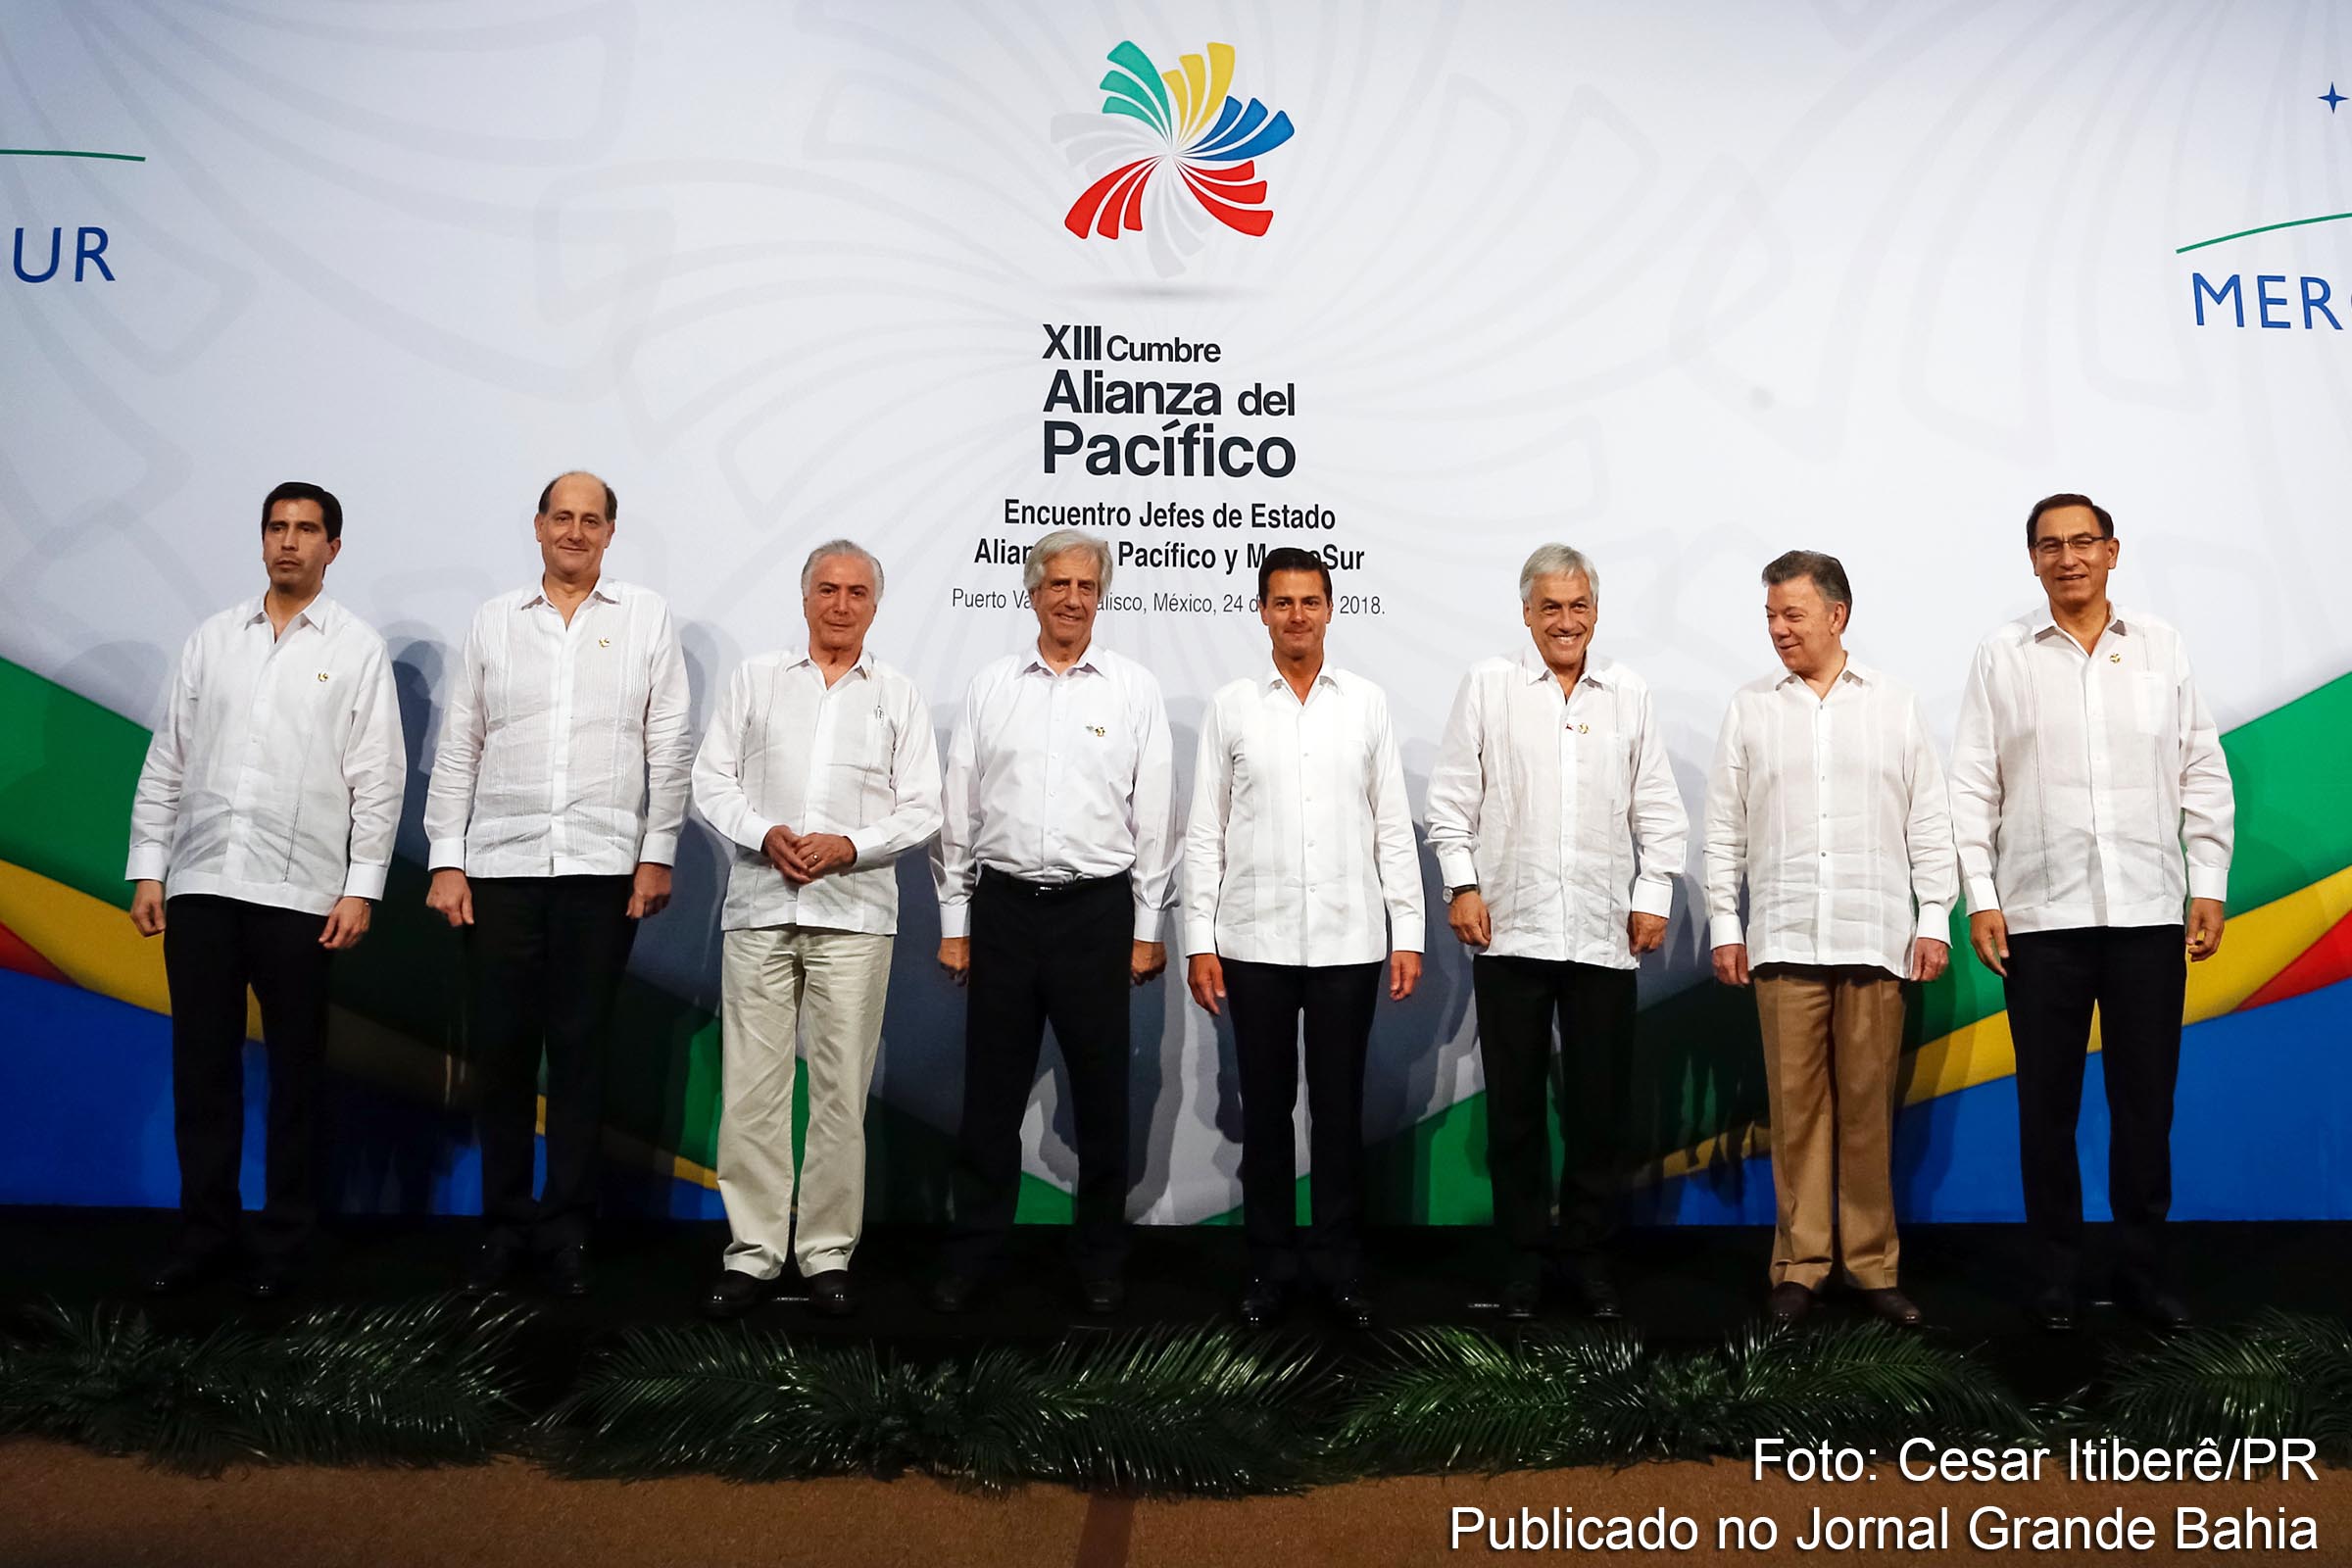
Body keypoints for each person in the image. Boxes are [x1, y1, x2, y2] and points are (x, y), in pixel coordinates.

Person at [1949, 493, 2233, 1333]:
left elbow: (2201, 771)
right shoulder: (2002, 657)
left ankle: (2143, 1276)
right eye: (2050, 545)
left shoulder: (2160, 649)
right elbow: (1973, 786)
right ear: (2032, 560)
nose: (2068, 557)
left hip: (2147, 913)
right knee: (2048, 1109)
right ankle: (2055, 1280)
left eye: (2084, 542)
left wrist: (2207, 880)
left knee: (2147, 1108)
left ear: (2113, 552)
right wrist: (1983, 898)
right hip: (2040, 920)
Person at [125, 480, 405, 1299]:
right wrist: (151, 866)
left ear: (334, 548)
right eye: (277, 528)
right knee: (202, 1072)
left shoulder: (355, 648)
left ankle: (285, 1245)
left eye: (307, 530)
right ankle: (205, 1235)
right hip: (204, 884)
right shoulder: (213, 640)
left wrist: (361, 889)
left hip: (302, 894)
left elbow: (378, 780)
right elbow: (168, 759)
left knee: (296, 1078)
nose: (289, 542)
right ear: (261, 541)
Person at [422, 470, 691, 1297]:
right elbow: (461, 744)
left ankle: (569, 1228)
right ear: (537, 526)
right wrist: (444, 856)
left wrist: (659, 851)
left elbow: (670, 744)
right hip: (500, 868)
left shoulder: (645, 618)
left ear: (611, 532)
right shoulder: (494, 623)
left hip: (603, 871)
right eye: (561, 517)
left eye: (591, 520)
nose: (575, 531)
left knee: (580, 1054)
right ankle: (504, 1227)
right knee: (500, 1055)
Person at [1426, 545, 1687, 1321]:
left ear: (1595, 614)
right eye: (1550, 608)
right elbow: (1451, 801)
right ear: (1528, 614)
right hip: (1510, 931)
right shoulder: (1488, 687)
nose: (1565, 622)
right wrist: (1462, 884)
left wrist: (1651, 895)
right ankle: (1522, 1262)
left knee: (1600, 1112)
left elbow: (1659, 811)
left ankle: (1587, 1257)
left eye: (1578, 607)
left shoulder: (1628, 694)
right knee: (1512, 1112)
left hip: (1607, 935)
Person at [1703, 550, 1955, 1326]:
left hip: (1876, 937)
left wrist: (1934, 916)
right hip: (1781, 937)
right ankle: (1801, 1265)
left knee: (1868, 1108)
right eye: (1771, 617)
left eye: (1793, 615)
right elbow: (1724, 828)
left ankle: (1874, 1265)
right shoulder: (1750, 708)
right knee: (1796, 1108)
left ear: (1837, 616)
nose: (1779, 630)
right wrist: (1724, 922)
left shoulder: (1896, 704)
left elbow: (1929, 820)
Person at [929, 528, 1177, 1315]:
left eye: (1086, 587)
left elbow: (1157, 820)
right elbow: (958, 811)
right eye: (1057, 585)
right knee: (989, 1100)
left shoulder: (1133, 689)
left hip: (1096, 916)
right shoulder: (991, 686)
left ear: (1101, 596)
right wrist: (954, 920)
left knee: (1103, 1100)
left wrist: (1148, 930)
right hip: (1002, 911)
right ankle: (973, 1253)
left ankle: (1101, 1256)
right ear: (1031, 593)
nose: (1072, 599)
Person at [691, 541, 941, 1318]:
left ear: (874, 605)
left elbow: (925, 807)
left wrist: (851, 848)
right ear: (804, 600)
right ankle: (755, 1253)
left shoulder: (898, 694)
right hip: (763, 904)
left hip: (855, 913)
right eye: (827, 590)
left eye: (857, 592)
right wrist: (765, 833)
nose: (840, 604)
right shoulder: (757, 681)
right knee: (753, 1092)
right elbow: (712, 780)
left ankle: (827, 1254)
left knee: (839, 1095)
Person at [1184, 546, 1425, 1330]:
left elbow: (1393, 826)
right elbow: (1203, 835)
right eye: (1281, 602)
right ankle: (1268, 1268)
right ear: (1261, 611)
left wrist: (1409, 933)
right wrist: (1197, 940)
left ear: (1330, 610)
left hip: (1349, 943)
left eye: (1309, 602)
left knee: (1338, 1113)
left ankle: (1340, 1269)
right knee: (1264, 1116)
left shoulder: (1367, 705)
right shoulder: (1231, 707)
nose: (1296, 616)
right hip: (1252, 942)